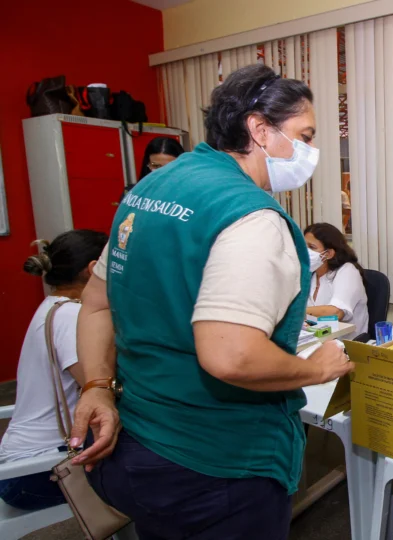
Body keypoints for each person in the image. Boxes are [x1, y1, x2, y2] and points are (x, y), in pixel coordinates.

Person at [70, 64, 354, 539]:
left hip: (139, 443)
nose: (310, 151)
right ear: (260, 129)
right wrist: (317, 369)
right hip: (219, 465)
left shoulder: (149, 189)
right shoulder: (251, 216)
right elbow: (230, 355)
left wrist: (97, 384)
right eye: (304, 135)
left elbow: (96, 303)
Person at [0, 230, 107, 511]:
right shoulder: (71, 317)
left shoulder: (53, 307)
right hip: (37, 472)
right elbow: (100, 386)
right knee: (151, 472)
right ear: (94, 269)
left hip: (20, 464)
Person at [303, 222, 368, 341]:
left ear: (328, 254)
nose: (304, 251)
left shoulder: (348, 271)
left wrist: (296, 313)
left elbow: (336, 312)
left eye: (311, 247)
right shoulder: (309, 273)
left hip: (343, 345)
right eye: (303, 245)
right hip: (313, 339)